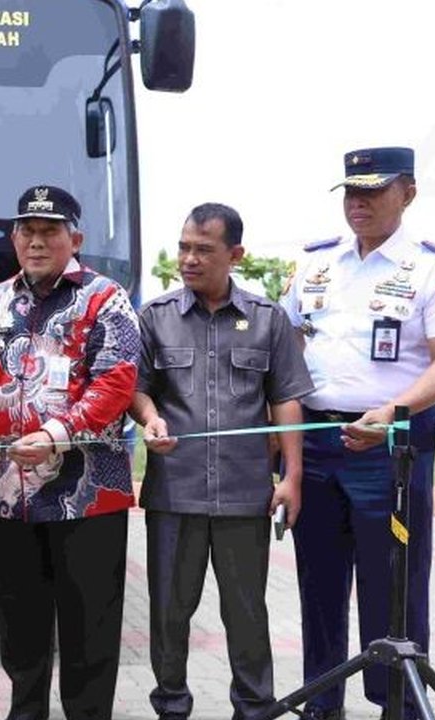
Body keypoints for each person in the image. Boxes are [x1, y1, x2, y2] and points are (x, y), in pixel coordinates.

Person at [0, 185, 141, 720]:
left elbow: (116, 382)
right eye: (27, 232)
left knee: (90, 626)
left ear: (75, 239)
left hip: (88, 497)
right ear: (14, 239)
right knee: (20, 624)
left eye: (49, 232)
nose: (36, 242)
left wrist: (57, 433)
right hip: (7, 496)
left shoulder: (106, 299)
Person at [279, 147, 435, 720]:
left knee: (393, 583)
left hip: (390, 446)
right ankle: (321, 702)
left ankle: (398, 705)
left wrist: (391, 411)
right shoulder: (315, 264)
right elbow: (287, 351)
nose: (357, 203)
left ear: (407, 193)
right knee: (318, 581)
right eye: (351, 191)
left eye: (372, 191)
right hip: (316, 441)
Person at [128, 203, 313, 720]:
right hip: (175, 493)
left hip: (244, 494)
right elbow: (137, 390)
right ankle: (171, 706)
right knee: (169, 612)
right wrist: (150, 419)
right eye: (184, 247)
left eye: (203, 250)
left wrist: (292, 477)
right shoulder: (156, 317)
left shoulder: (268, 320)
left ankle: (253, 708)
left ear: (235, 255)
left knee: (246, 612)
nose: (189, 259)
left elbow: (286, 400)